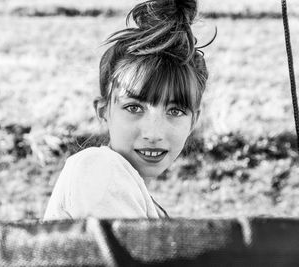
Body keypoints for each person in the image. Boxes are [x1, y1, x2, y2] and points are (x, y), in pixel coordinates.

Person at [43, 0, 211, 220]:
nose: (153, 133)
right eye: (134, 107)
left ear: (193, 121)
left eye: (175, 111)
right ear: (103, 111)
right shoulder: (98, 169)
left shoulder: (141, 198)